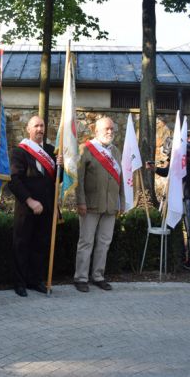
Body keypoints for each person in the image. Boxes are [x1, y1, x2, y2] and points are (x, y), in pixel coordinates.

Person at [8, 116, 58, 297]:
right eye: (36, 126)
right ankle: (19, 283)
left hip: (47, 207)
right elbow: (14, 180)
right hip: (26, 208)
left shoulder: (52, 151)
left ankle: (35, 280)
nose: (39, 129)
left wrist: (62, 166)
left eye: (42, 126)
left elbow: (57, 179)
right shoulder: (19, 152)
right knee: (21, 245)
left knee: (40, 244)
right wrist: (30, 201)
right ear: (28, 129)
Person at [146, 128, 190, 270]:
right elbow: (167, 172)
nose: (187, 142)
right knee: (171, 225)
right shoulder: (176, 154)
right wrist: (154, 168)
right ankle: (172, 258)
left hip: (189, 199)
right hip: (173, 196)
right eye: (186, 139)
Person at [74, 117, 125, 293]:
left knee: (104, 242)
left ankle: (98, 276)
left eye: (112, 129)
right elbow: (79, 180)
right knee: (86, 242)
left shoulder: (116, 151)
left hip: (110, 205)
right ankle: (80, 277)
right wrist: (80, 201)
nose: (110, 132)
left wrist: (122, 202)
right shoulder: (86, 149)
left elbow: (121, 180)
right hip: (90, 205)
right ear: (96, 131)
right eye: (106, 129)